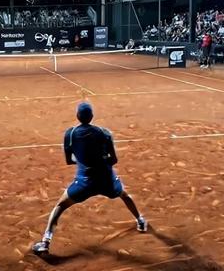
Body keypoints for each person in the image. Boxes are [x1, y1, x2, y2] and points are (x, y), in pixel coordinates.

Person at [32, 103, 147, 256]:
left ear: (77, 117)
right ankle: (140, 221)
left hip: (84, 183)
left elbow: (69, 160)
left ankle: (45, 242)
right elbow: (113, 160)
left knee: (60, 206)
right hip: (107, 180)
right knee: (125, 195)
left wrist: (83, 160)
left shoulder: (70, 134)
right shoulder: (105, 133)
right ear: (92, 117)